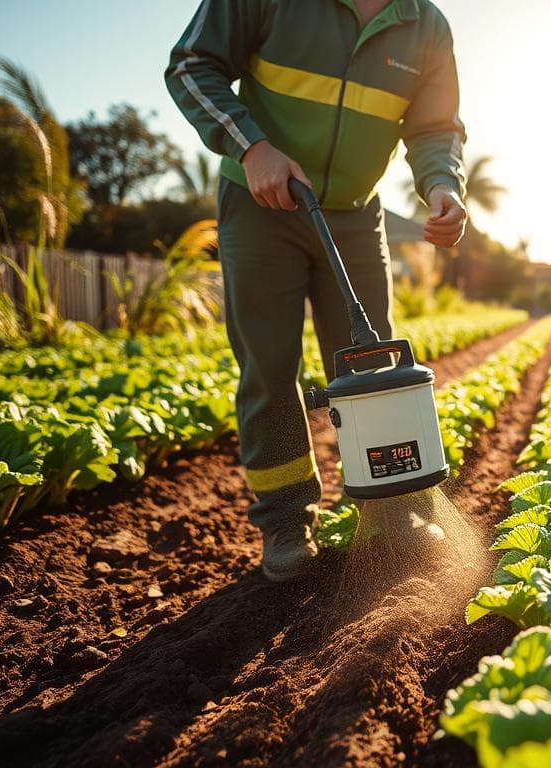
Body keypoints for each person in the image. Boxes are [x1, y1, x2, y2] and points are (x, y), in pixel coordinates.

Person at [165, 0, 467, 582]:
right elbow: (190, 65)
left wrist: (442, 184)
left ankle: (391, 510)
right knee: (270, 366)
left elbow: (435, 128)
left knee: (370, 368)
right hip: (259, 206)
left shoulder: (425, 26)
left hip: (354, 214)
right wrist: (252, 146)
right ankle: (285, 519)